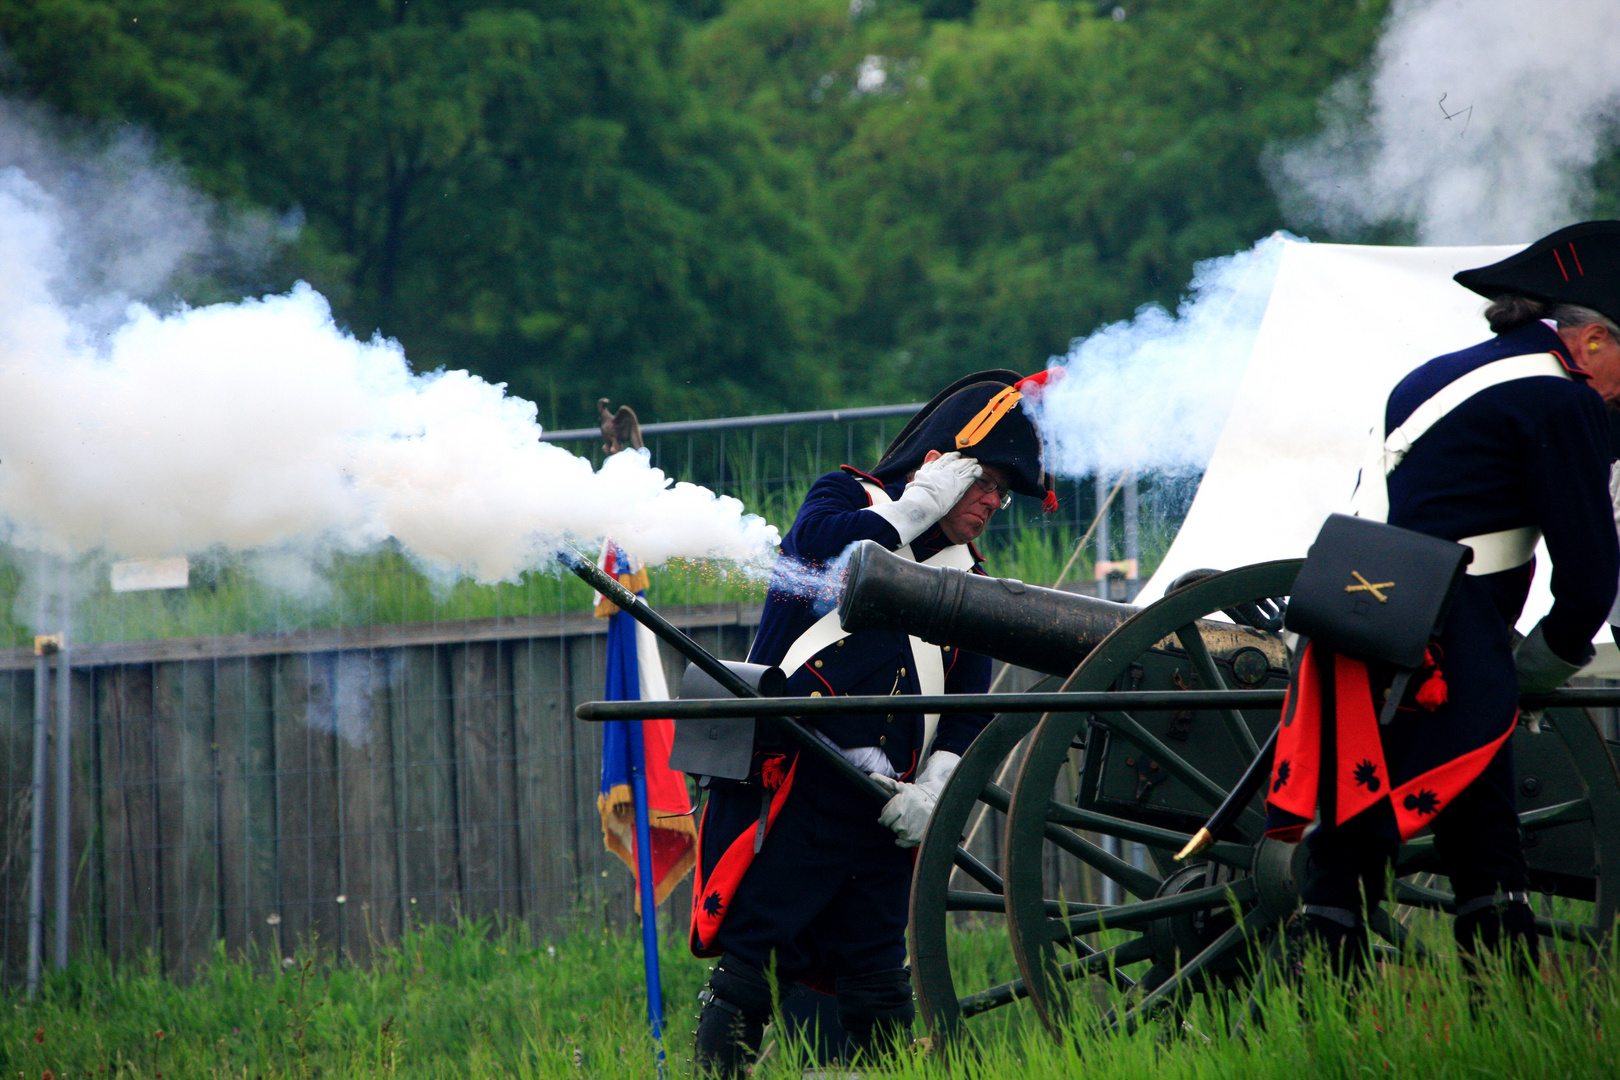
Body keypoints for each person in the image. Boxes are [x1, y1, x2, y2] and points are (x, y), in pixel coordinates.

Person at [1266, 221, 1620, 977]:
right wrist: (1542, 662)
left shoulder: (1433, 376)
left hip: (1358, 617)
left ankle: (1325, 1002)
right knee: (1486, 838)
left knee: (1353, 829)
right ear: (1591, 344)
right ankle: (1505, 1007)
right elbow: (1590, 572)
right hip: (1449, 641)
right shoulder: (1564, 402)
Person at [688, 369, 1057, 1075]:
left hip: (888, 811)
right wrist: (915, 506)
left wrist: (934, 791)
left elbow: (965, 713)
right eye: (982, 482)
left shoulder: (968, 582)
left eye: (1001, 494)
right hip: (797, 784)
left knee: (880, 978)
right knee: (752, 967)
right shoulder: (845, 498)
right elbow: (823, 544)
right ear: (937, 467)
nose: (992, 502)